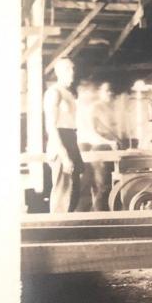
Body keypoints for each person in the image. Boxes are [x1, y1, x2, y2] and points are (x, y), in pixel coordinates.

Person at [43, 57, 84, 213]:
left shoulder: (69, 93)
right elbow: (51, 127)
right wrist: (64, 155)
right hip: (60, 142)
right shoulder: (54, 92)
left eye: (73, 68)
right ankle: (56, 231)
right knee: (63, 193)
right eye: (67, 68)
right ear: (58, 72)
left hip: (71, 139)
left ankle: (67, 231)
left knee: (74, 192)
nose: (72, 72)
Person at [77, 81, 119, 211]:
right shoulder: (95, 107)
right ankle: (99, 215)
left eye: (111, 90)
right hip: (98, 149)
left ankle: (103, 213)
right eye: (106, 90)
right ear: (100, 92)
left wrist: (115, 141)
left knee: (105, 185)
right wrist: (110, 143)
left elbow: (109, 130)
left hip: (106, 148)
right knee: (101, 186)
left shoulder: (108, 107)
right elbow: (93, 131)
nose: (109, 93)